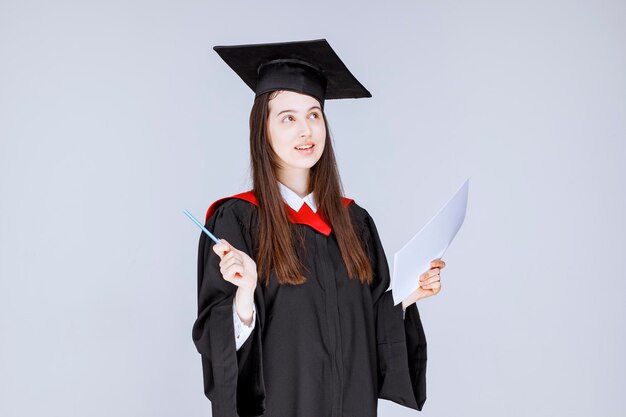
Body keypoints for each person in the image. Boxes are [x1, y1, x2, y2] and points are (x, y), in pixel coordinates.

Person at [192, 39, 445, 417]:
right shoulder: (238, 220)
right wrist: (244, 294)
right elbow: (220, 348)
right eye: (288, 118)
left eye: (314, 115)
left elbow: (367, 333)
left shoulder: (353, 223)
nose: (305, 130)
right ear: (263, 129)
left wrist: (408, 296)